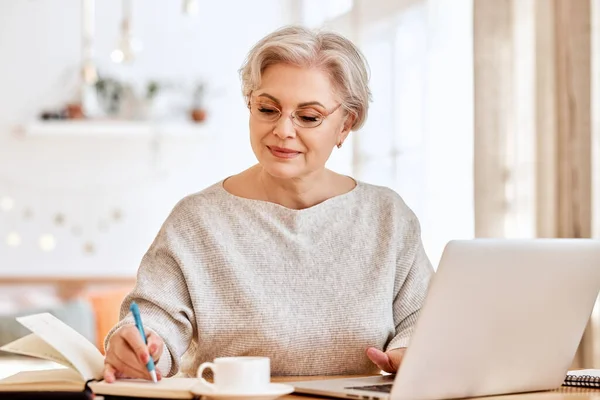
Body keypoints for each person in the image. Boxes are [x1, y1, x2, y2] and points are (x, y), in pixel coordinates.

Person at [103, 25, 433, 382]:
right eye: (267, 109)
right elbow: (156, 321)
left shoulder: (386, 216)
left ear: (345, 125)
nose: (283, 130)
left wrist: (412, 352)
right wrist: (141, 345)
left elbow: (422, 320)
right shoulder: (197, 220)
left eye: (308, 117)